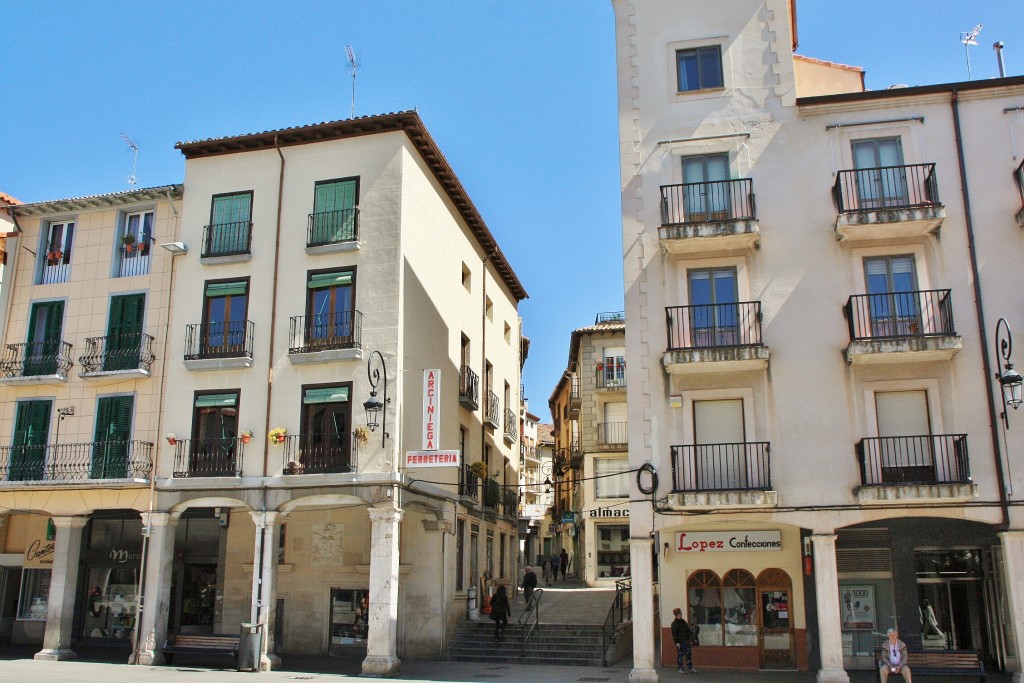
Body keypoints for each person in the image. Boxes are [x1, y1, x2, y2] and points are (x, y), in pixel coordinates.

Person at [670, 607, 697, 674]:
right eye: (680, 613)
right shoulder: (674, 623)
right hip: (680, 642)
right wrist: (677, 642)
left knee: (688, 654)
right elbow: (674, 634)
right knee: (680, 655)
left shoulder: (683, 621)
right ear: (678, 614)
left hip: (686, 641)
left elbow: (687, 630)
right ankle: (680, 668)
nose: (681, 613)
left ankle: (690, 667)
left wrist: (690, 639)